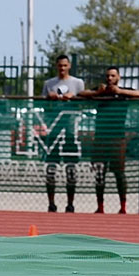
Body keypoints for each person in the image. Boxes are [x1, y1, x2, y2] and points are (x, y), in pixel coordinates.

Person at [78, 67, 139, 214]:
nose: (109, 78)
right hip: (101, 138)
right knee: (99, 173)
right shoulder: (100, 91)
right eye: (107, 75)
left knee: (119, 173)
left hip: (117, 137)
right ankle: (100, 206)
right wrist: (97, 93)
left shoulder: (123, 91)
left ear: (118, 77)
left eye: (112, 76)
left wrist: (120, 92)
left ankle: (123, 207)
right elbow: (81, 94)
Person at [41, 54, 85, 213]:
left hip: (71, 131)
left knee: (71, 168)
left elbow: (84, 104)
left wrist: (73, 99)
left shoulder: (77, 83)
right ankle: (51, 203)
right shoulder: (49, 83)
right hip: (54, 131)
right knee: (51, 168)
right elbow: (43, 107)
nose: (62, 68)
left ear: (69, 66)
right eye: (59, 65)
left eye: (65, 65)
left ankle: (70, 203)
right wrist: (49, 99)